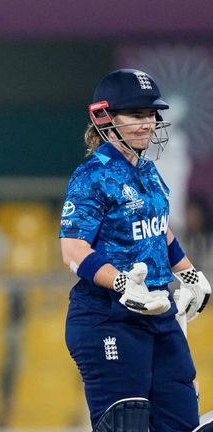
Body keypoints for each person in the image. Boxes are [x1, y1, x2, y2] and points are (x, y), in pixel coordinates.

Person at [59, 68, 211, 431]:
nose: (148, 124)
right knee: (127, 423)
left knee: (182, 424)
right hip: (108, 318)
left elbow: (158, 230)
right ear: (105, 118)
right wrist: (124, 284)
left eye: (151, 115)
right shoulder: (92, 176)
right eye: (136, 115)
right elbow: (73, 249)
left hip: (158, 315)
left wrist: (189, 273)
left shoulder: (147, 170)